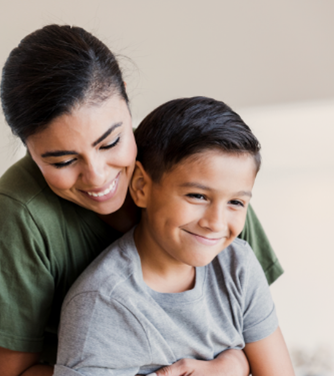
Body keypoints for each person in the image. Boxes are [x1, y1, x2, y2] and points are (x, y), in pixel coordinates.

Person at [0, 25, 283, 376]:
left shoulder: (198, 183)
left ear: (124, 95)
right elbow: (5, 374)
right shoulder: (17, 215)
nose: (97, 176)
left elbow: (251, 325)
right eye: (62, 160)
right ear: (28, 148)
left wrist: (235, 362)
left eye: (110, 142)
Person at [54, 97, 294, 376]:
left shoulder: (238, 265)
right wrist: (239, 363)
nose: (215, 223)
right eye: (197, 196)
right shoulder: (102, 303)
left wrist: (234, 365)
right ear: (141, 186)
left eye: (236, 203)